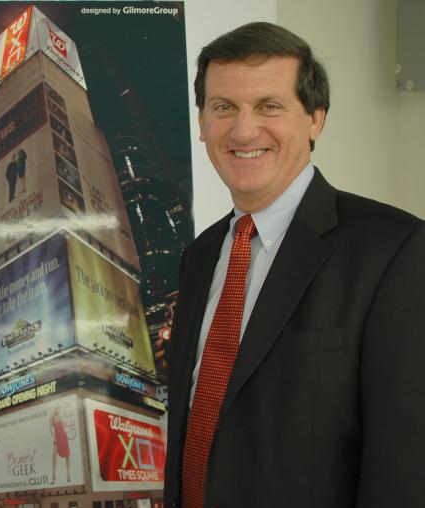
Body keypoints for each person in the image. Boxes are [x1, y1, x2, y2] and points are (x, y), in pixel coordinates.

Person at [164, 22, 425, 508]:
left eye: (269, 106)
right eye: (223, 108)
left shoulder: (393, 249)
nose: (244, 130)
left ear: (315, 119)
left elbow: (406, 461)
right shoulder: (199, 258)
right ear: (201, 123)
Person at [49, 406, 70, 484]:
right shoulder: (51, 418)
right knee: (54, 457)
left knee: (67, 455)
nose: (57, 409)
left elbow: (64, 427)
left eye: (58, 408)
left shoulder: (61, 417)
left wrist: (66, 432)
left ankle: (68, 474)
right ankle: (53, 477)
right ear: (54, 409)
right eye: (56, 408)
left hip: (63, 437)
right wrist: (54, 438)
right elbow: (50, 429)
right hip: (57, 438)